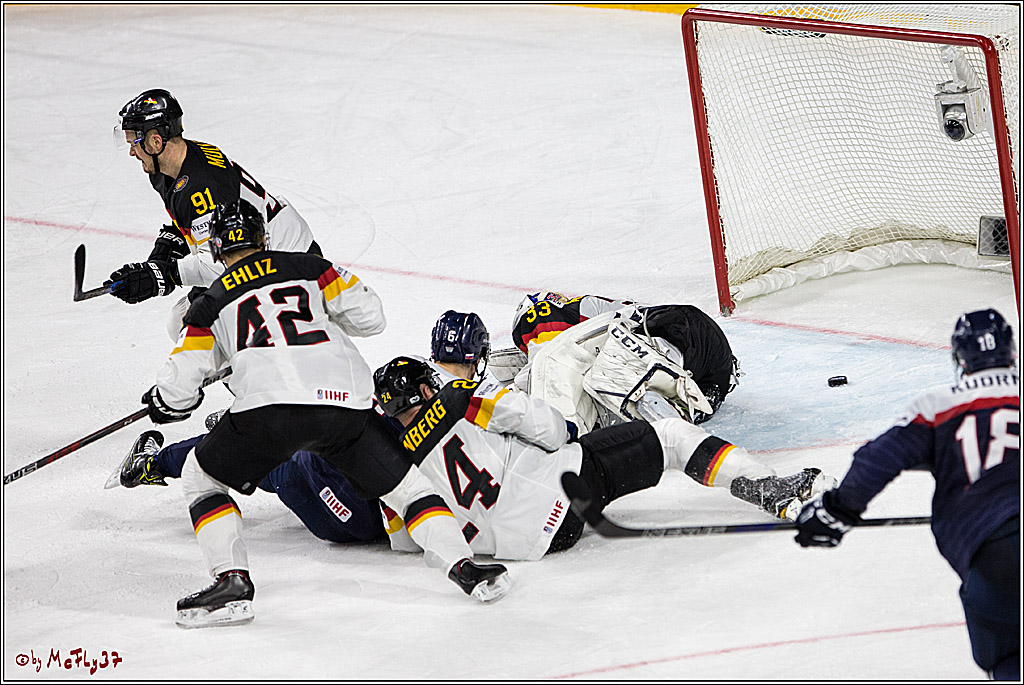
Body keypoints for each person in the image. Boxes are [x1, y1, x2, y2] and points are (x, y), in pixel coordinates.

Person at [140, 200, 509, 629]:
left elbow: (180, 389)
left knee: (202, 481)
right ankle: (465, 569)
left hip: (269, 410)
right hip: (344, 402)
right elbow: (371, 318)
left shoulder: (209, 303)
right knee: (406, 489)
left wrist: (164, 399)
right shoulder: (311, 268)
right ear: (263, 237)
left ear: (218, 246)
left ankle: (232, 582)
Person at [373, 315, 833, 561]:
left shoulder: (387, 464)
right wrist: (566, 432)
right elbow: (550, 429)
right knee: (669, 436)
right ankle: (766, 486)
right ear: (429, 386)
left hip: (531, 548)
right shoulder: (461, 398)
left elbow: (408, 541)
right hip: (565, 492)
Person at [794, 309, 1019, 680]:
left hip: (994, 550)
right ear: (1011, 352)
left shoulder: (939, 405)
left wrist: (834, 511)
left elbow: (877, 459)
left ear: (959, 360)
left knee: (1012, 659)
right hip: (994, 542)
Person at [107, 88, 322, 340]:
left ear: (156, 141)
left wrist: (164, 275)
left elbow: (221, 266)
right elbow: (201, 222)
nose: (132, 151)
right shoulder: (170, 168)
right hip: (265, 253)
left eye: (134, 142)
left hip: (287, 265)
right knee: (184, 321)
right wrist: (168, 245)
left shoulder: (201, 184)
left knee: (196, 327)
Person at [506, 292, 739, 431]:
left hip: (672, 336)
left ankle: (659, 413)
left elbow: (547, 367)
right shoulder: (589, 306)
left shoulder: (538, 314)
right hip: (711, 361)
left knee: (603, 380)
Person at [113, 426, 386, 545]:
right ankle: (247, 425)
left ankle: (152, 465)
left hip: (352, 515)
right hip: (355, 499)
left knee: (264, 450)